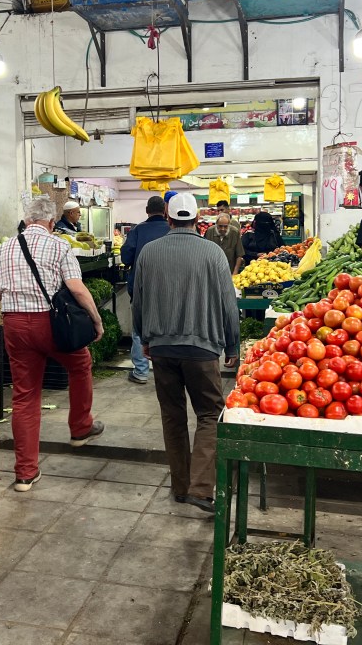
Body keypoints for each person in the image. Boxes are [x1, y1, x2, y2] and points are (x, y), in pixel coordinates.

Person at [0, 196, 105, 492]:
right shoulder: (59, 245)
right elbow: (77, 288)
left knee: (25, 396)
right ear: (52, 222)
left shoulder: (4, 248)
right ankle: (80, 427)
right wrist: (96, 320)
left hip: (14, 326)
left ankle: (25, 474)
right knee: (80, 364)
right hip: (49, 324)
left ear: (26, 221)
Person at [132, 193, 240, 513]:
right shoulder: (213, 252)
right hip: (202, 349)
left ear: (168, 218)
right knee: (210, 414)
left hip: (162, 348)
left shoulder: (149, 252)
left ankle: (181, 487)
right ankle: (201, 488)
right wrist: (232, 344)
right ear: (198, 219)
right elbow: (228, 303)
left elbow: (138, 300)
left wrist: (144, 338)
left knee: (173, 415)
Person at [120, 196, 170, 384]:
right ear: (165, 211)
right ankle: (165, 372)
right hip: (169, 288)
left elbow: (126, 257)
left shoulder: (137, 230)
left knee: (139, 329)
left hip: (141, 287)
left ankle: (141, 372)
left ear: (147, 210)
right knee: (167, 329)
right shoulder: (171, 229)